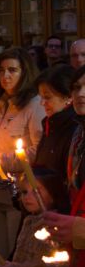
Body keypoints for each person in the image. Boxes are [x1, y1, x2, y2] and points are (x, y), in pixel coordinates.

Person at [0, 48, 44, 267]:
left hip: (19, 192)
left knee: (15, 253)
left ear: (24, 72)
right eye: (1, 71)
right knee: (0, 254)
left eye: (12, 70)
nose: (5, 76)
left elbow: (37, 150)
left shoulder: (33, 105)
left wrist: (3, 161)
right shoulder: (0, 105)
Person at [33, 66, 77, 208]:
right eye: (41, 97)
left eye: (47, 97)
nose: (42, 103)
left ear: (68, 97)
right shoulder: (50, 125)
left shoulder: (74, 129)